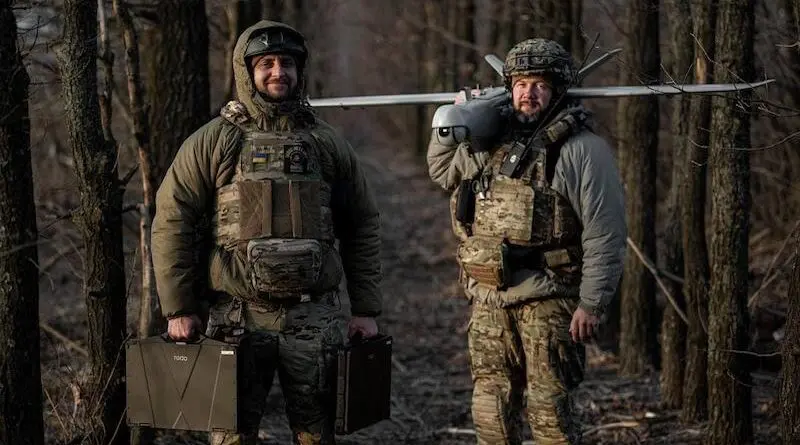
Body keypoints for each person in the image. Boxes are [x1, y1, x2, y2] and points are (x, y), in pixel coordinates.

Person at [151, 20, 382, 445]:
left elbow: (362, 222)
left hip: (314, 320)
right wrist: (178, 307)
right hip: (237, 318)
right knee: (230, 435)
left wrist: (365, 308)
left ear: (300, 70)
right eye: (267, 63)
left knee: (317, 435)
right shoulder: (214, 141)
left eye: (288, 63)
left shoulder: (326, 143)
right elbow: (172, 220)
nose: (279, 72)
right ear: (247, 71)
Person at [427, 38, 626, 444]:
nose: (528, 93)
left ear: (557, 90)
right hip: (488, 299)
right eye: (520, 83)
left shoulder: (583, 150)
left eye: (539, 84)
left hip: (549, 299)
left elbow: (605, 230)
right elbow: (442, 171)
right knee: (490, 407)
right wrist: (454, 117)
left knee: (550, 410)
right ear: (508, 88)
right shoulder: (487, 143)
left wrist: (592, 302)